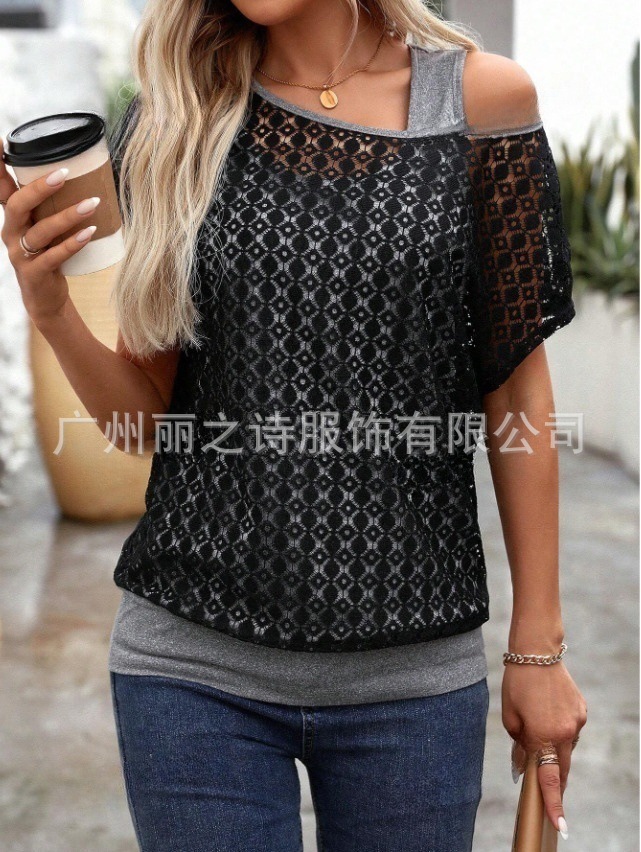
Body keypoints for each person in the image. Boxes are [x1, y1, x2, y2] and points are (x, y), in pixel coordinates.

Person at [0, 0, 588, 849]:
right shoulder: (174, 121)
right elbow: (143, 425)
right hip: (190, 674)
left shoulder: (477, 103)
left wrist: (538, 648)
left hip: (410, 685)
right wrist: (52, 310)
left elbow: (516, 395)